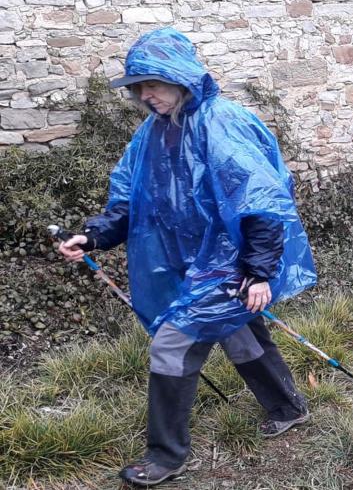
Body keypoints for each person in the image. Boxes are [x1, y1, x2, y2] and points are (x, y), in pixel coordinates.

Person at [56, 28, 317, 487]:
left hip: (228, 266)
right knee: (239, 335)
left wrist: (257, 273)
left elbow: (262, 204)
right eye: (138, 86)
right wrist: (93, 237)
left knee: (172, 345)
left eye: (152, 82)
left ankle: (166, 457)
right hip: (190, 265)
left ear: (180, 78)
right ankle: (288, 407)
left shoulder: (222, 123)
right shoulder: (153, 134)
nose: (144, 94)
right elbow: (130, 201)